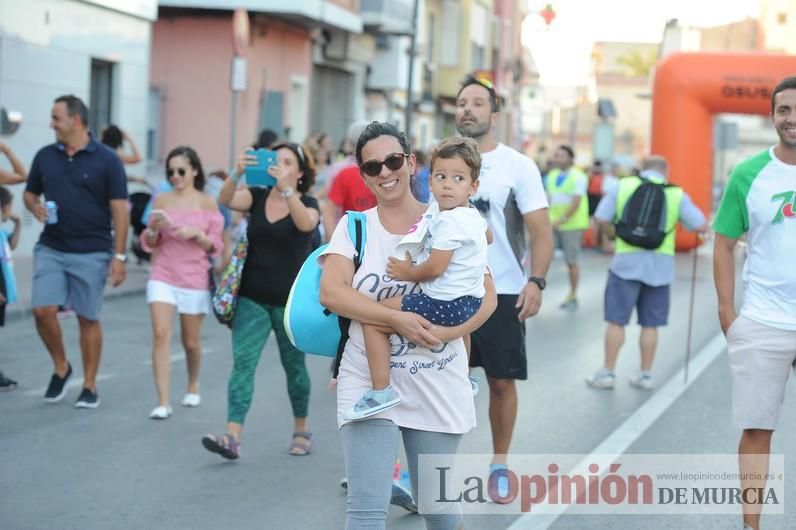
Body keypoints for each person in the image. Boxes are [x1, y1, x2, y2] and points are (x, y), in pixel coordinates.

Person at [319, 121, 497, 528]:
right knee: (366, 510)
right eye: (372, 167)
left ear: (411, 163)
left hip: (435, 377)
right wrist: (395, 319)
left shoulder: (450, 220)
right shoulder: (355, 227)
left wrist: (446, 334)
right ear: (362, 175)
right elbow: (332, 292)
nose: (385, 173)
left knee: (438, 509)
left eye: (393, 161)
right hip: (368, 380)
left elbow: (486, 297)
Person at [455, 75, 553, 489]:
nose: (468, 109)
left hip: (504, 289)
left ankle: (499, 464)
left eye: (477, 103)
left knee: (500, 381)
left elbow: (542, 231)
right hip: (446, 289)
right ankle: (422, 465)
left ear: (493, 114)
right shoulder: (437, 160)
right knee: (434, 380)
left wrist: (537, 281)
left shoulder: (518, 165)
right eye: (462, 103)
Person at [350, 136, 489, 421]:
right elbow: (488, 236)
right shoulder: (469, 214)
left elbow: (436, 267)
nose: (448, 184)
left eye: (458, 178)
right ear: (430, 178)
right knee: (463, 331)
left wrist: (407, 273)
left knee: (377, 317)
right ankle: (464, 377)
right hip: (469, 300)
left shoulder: (451, 221)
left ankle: (381, 390)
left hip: (445, 303)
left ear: (473, 186)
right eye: (441, 176)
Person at [713, 76, 796, 530]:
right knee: (757, 430)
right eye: (784, 110)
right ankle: (752, 526)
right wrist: (728, 313)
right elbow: (723, 244)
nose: (793, 119)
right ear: (772, 116)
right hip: (764, 320)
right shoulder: (748, 173)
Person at [202, 142, 319, 459]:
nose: (279, 165)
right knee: (243, 365)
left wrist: (286, 191)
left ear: (299, 172)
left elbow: (306, 224)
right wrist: (237, 172)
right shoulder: (255, 197)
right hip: (251, 299)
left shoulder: (307, 201)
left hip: (289, 304)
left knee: (294, 368)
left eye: (287, 162)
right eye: (275, 160)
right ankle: (232, 435)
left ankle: (301, 429)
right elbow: (225, 199)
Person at [23, 95, 129, 409]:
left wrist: (120, 257)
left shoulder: (107, 159)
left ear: (76, 120)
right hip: (51, 246)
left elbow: (120, 212)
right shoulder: (45, 156)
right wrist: (35, 207)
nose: (51, 123)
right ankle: (61, 367)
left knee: (87, 317)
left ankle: (90, 384)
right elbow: (29, 193)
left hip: (92, 250)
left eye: (56, 118)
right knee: (42, 310)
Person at [587, 155, 707, 391]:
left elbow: (600, 217)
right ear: (666, 171)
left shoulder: (624, 185)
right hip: (660, 267)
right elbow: (700, 224)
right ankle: (645, 375)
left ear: (643, 169)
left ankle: (608, 373)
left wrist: (613, 236)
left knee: (616, 321)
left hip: (625, 264)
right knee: (650, 324)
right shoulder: (675, 193)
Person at [141, 147, 223, 419]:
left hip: (194, 277)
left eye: (180, 171)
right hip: (162, 273)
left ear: (195, 171)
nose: (175, 176)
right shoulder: (161, 199)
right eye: (170, 172)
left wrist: (198, 235)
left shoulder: (207, 203)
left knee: (191, 342)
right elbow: (149, 243)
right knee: (161, 335)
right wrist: (153, 229)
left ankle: (192, 382)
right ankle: (163, 401)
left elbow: (216, 245)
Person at [545, 145, 589, 309]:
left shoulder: (579, 176)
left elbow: (576, 202)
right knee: (544, 257)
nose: (558, 158)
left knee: (571, 261)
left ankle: (573, 294)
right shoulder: (552, 175)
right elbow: (548, 199)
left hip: (572, 225)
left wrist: (561, 220)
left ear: (571, 158)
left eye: (562, 155)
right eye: (556, 155)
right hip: (552, 223)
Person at [319, 121, 372, 241]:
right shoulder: (342, 171)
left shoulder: (338, 168)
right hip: (349, 236)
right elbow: (331, 207)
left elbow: (330, 208)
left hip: (345, 234)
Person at [0, 185, 21, 391]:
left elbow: (12, 245)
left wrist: (19, 223)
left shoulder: (1, 232)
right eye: (10, 207)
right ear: (4, 207)